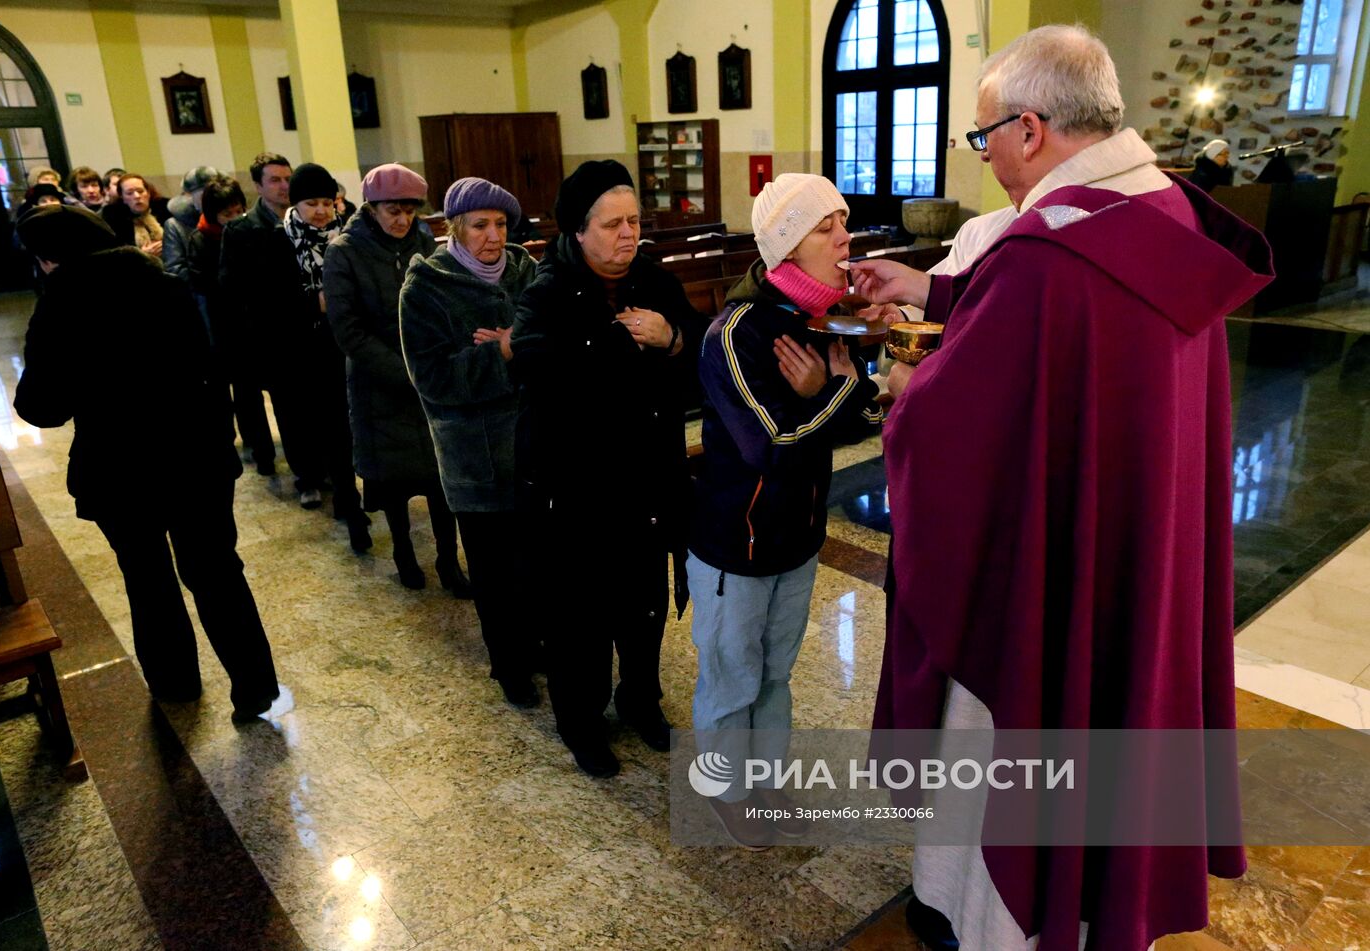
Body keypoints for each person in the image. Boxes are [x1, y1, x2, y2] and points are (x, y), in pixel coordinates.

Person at [853, 25, 1273, 950]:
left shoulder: (1055, 250)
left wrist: (905, 391)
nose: (985, 155)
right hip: (1141, 547)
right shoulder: (1160, 214)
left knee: (1023, 722)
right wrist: (932, 291)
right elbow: (1049, 329)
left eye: (983, 137)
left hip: (1042, 580)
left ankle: (999, 921)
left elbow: (961, 422)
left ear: (1031, 128)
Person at [13, 205, 281, 720]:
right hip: (196, 459)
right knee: (217, 571)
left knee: (147, 578)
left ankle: (176, 684)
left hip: (119, 468)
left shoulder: (60, 307)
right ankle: (255, 684)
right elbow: (211, 366)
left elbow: (40, 407)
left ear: (49, 260)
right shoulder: (168, 286)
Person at [688, 173, 883, 846]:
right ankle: (722, 792)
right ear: (785, 245)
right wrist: (841, 387)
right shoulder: (736, 333)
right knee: (730, 679)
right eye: (827, 226)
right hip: (734, 549)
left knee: (774, 677)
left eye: (843, 221)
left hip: (796, 542)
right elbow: (772, 445)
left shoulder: (821, 319)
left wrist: (842, 388)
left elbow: (855, 422)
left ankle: (764, 782)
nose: (845, 236)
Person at [510, 160, 703, 777]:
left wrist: (670, 339)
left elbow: (698, 350)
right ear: (578, 230)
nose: (629, 234)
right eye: (613, 223)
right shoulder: (547, 290)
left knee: (643, 605)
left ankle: (640, 700)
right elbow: (541, 366)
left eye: (635, 221)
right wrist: (626, 342)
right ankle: (581, 720)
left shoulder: (653, 279)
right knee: (580, 616)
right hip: (576, 488)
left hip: (647, 477)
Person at [400, 176, 539, 702]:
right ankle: (508, 665)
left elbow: (550, 338)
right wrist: (501, 353)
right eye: (480, 225)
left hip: (531, 443)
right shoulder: (426, 288)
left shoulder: (526, 269)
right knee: (493, 568)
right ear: (454, 229)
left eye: (501, 224)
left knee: (532, 560)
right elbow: (433, 380)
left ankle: (533, 644)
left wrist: (517, 340)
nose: (494, 236)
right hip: (475, 455)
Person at [325, 164, 472, 597]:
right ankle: (404, 552)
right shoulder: (344, 251)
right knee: (394, 482)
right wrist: (405, 371)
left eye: (409, 210)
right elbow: (348, 329)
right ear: (372, 207)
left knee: (441, 480)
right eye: (393, 210)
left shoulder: (423, 241)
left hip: (427, 381)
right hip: (378, 386)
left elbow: (441, 299)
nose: (402, 220)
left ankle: (449, 561)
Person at [241, 162, 369, 550]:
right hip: (300, 350)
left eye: (327, 203)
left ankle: (350, 492)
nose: (321, 211)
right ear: (297, 204)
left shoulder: (345, 238)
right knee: (323, 423)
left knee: (347, 425)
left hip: (343, 344)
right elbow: (265, 301)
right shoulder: (278, 241)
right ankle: (336, 491)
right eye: (311, 203)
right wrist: (313, 303)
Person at [218, 152, 292, 477]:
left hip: (293, 331)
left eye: (288, 178)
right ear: (258, 186)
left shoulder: (300, 223)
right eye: (275, 180)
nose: (284, 186)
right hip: (255, 330)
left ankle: (307, 467)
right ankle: (264, 456)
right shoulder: (240, 230)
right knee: (254, 401)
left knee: (292, 406)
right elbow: (230, 288)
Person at [186, 176, 248, 348]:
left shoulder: (250, 230)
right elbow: (201, 283)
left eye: (239, 211)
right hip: (222, 315)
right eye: (227, 214)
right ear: (214, 215)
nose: (236, 218)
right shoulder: (200, 239)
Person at [163, 165, 220, 280]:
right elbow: (175, 268)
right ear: (190, 197)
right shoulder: (175, 225)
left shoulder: (226, 216)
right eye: (202, 196)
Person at [102, 173, 171, 256]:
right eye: (129, 193)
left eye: (140, 191)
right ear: (122, 198)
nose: (137, 196)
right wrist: (141, 255)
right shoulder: (114, 218)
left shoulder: (166, 209)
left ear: (148, 193)